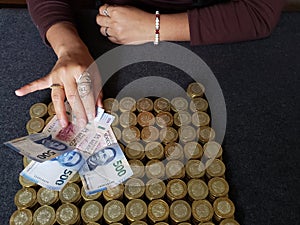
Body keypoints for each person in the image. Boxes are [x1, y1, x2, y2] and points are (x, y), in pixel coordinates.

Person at [15, 0, 285, 128]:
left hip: (212, 26)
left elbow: (260, 11)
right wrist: (68, 46)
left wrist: (155, 27)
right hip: (98, 23)